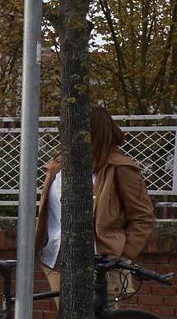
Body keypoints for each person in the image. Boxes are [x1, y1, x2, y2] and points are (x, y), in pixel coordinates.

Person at [37, 104, 156, 293]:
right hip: (56, 261)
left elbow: (143, 216)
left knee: (98, 313)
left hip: (102, 265)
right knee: (66, 313)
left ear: (91, 129)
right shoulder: (58, 165)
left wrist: (123, 255)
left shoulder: (119, 167)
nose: (65, 130)